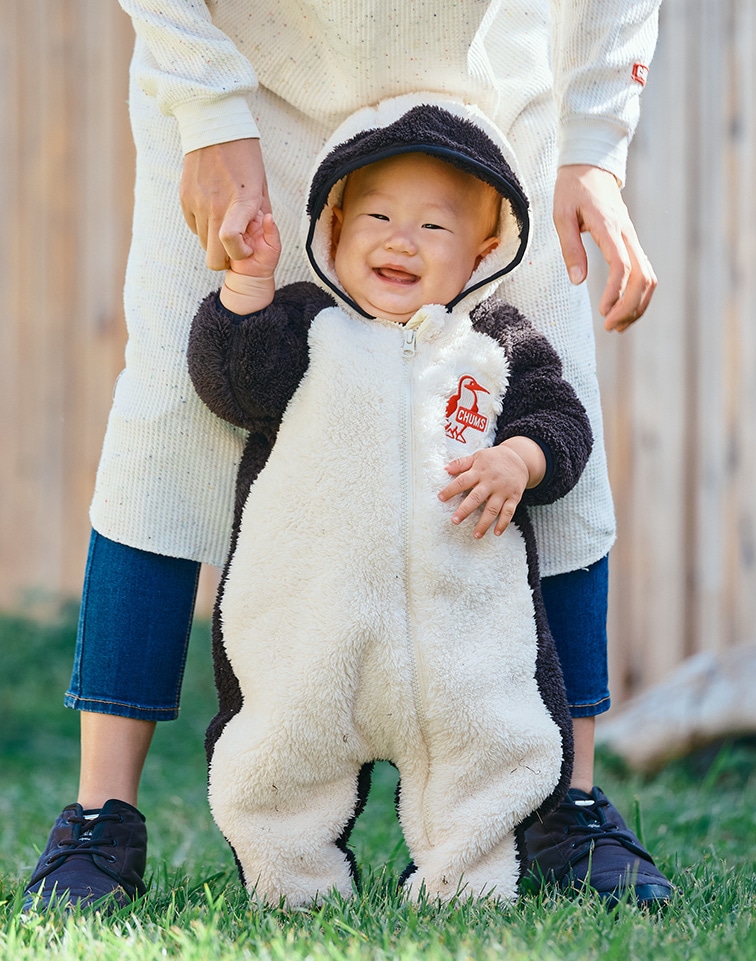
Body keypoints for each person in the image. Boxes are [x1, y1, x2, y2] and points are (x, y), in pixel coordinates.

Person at [24, 0, 670, 910]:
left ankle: (568, 806)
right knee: (172, 416)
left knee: (532, 405)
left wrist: (596, 138)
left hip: (490, 114)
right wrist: (207, 104)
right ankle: (100, 820)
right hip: (245, 87)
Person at [189, 98, 592, 906]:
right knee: (279, 753)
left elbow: (562, 420)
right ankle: (287, 879)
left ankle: (467, 877)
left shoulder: (495, 343)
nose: (401, 239)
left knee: (484, 751)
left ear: (485, 249)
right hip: (313, 626)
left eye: (435, 228)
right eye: (375, 214)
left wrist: (522, 455)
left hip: (459, 636)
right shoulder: (307, 327)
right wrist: (250, 281)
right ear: (332, 227)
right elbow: (233, 384)